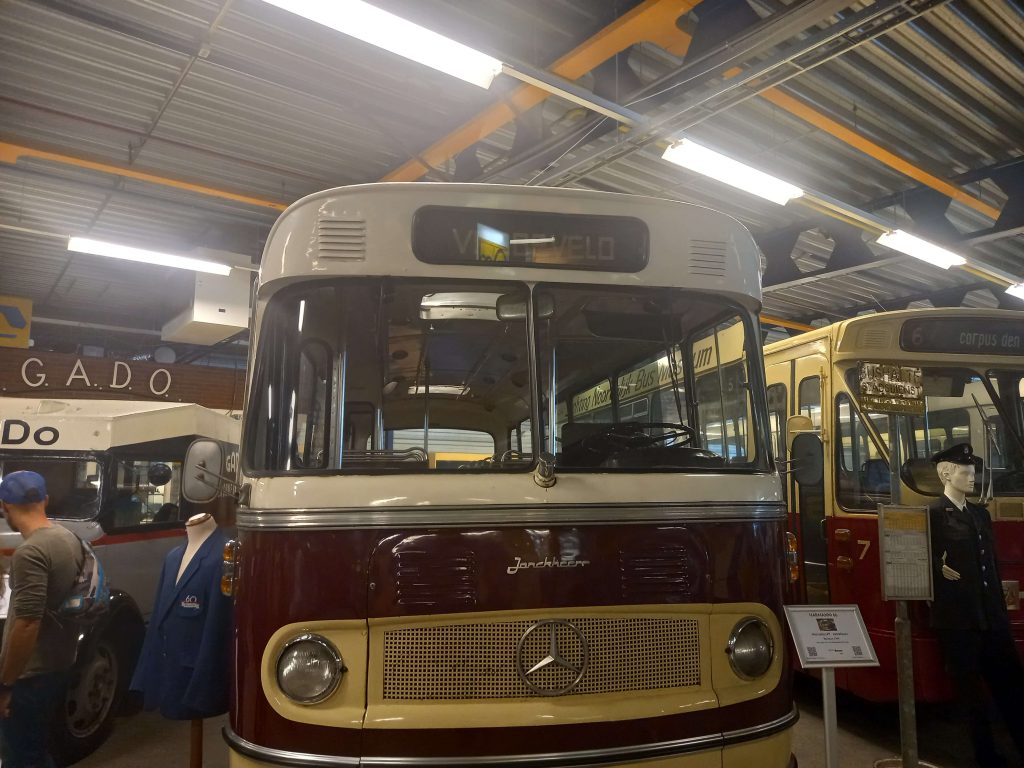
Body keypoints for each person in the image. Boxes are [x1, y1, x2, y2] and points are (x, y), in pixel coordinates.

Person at [927, 443, 1024, 768]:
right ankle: (985, 756)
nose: (972, 477)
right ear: (946, 473)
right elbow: (925, 565)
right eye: (966, 472)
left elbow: (991, 567)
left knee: (1012, 686)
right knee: (972, 699)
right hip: (958, 622)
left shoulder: (980, 514)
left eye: (972, 472)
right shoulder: (934, 516)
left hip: (991, 618)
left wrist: (1000, 612)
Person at [0, 470, 83, 768]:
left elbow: (26, 623)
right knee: (36, 748)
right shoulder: (68, 538)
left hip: (29, 674)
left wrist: (6, 685)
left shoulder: (30, 552)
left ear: (4, 505)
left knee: (21, 756)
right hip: (59, 662)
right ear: (45, 499)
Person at [130, 512, 231, 720]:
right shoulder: (173, 557)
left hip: (194, 676)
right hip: (170, 671)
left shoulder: (223, 558)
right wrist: (145, 675)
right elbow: (158, 617)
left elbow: (217, 629)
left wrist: (205, 688)